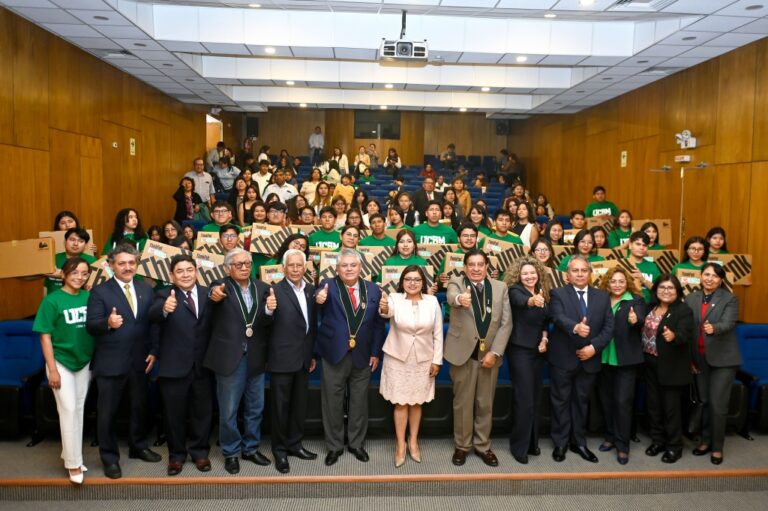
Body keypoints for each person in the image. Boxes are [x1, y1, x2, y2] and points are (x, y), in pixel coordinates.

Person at [85, 244, 161, 479]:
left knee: (139, 407)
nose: (127, 267)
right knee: (107, 412)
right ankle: (109, 458)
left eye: (131, 263)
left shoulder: (146, 289)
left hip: (140, 360)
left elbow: (152, 324)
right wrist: (107, 322)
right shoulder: (100, 292)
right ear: (111, 265)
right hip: (111, 362)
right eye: (122, 263)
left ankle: (138, 446)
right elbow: (91, 325)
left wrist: (155, 350)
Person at [315, 249, 386, 466]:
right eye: (344, 265)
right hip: (334, 354)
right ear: (337, 268)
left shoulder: (373, 290)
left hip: (363, 355)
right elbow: (317, 300)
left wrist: (375, 352)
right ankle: (334, 446)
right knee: (332, 402)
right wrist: (318, 298)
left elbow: (377, 325)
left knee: (359, 402)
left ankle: (356, 444)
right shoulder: (327, 286)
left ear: (361, 267)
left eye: (353, 265)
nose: (348, 269)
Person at [203, 248, 272, 474]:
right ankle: (231, 452)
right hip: (229, 358)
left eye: (247, 263)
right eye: (238, 264)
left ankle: (251, 448)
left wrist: (271, 312)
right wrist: (214, 295)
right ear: (227, 268)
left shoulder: (263, 288)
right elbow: (211, 296)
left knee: (255, 407)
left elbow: (266, 321)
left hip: (256, 356)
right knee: (229, 410)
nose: (244, 268)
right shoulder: (220, 286)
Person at [445, 250, 512, 467]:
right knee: (462, 404)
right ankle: (462, 446)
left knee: (485, 404)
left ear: (487, 267)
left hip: (489, 356)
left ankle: (483, 445)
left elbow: (506, 323)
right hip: (462, 355)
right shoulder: (456, 282)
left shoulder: (501, 288)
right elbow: (451, 297)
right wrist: (459, 299)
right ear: (465, 267)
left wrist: (496, 352)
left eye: (480, 264)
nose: (475, 268)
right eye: (471, 264)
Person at [149, 255, 214, 476]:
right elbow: (154, 313)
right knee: (173, 415)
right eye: (180, 271)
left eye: (189, 270)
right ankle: (176, 456)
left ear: (196, 271)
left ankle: (200, 453)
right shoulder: (163, 295)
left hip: (203, 366)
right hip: (174, 367)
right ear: (171, 276)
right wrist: (165, 309)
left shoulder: (208, 295)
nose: (185, 275)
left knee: (202, 413)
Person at [33, 257, 94, 484]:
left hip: (83, 361)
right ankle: (73, 464)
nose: (80, 277)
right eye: (75, 272)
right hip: (61, 362)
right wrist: (52, 370)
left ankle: (72, 453)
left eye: (84, 273)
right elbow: (45, 336)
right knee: (68, 409)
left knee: (78, 409)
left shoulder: (89, 297)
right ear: (64, 274)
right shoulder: (52, 301)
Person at [548, 255, 614, 464]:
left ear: (590, 273)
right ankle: (560, 442)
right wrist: (576, 327)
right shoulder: (557, 293)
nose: (579, 274)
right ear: (568, 275)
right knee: (560, 401)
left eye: (583, 270)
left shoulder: (602, 297)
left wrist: (593, 348)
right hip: (563, 358)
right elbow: (557, 317)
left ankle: (579, 442)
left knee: (581, 402)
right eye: (574, 271)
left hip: (589, 359)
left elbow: (609, 327)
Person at [378, 265, 443, 467]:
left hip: (423, 359)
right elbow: (385, 313)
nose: (412, 283)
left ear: (423, 282)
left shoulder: (432, 301)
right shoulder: (394, 298)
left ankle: (413, 441)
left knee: (416, 403)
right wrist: (383, 307)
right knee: (400, 403)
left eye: (416, 279)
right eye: (408, 279)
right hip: (398, 358)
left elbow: (438, 333)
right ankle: (400, 445)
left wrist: (436, 360)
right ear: (402, 282)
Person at [264, 249, 318, 474]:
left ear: (305, 268)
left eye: (299, 265)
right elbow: (264, 324)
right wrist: (268, 309)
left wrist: (312, 354)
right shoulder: (273, 291)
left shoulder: (312, 291)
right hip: (281, 359)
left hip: (304, 359)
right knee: (280, 408)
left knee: (299, 406)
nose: (296, 269)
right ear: (283, 268)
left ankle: (295, 445)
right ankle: (279, 451)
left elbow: (311, 326)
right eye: (291, 266)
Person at [685, 263, 741, 465]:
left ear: (721, 280)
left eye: (715, 276)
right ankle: (706, 441)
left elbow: (729, 323)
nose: (710, 278)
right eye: (706, 274)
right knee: (705, 401)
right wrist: (690, 359)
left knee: (718, 405)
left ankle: (717, 447)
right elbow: (688, 328)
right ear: (700, 277)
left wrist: (714, 328)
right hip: (699, 359)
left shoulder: (729, 298)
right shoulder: (691, 298)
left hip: (723, 360)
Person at [596, 266, 647, 465]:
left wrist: (636, 320)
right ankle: (610, 437)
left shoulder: (636, 301)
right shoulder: (602, 300)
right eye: (613, 281)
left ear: (627, 283)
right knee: (606, 401)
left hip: (626, 361)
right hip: (604, 358)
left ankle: (622, 445)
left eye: (621, 281)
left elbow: (641, 320)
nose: (617, 285)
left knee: (622, 403)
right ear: (607, 283)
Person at [642, 274, 694, 464]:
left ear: (678, 291)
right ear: (656, 290)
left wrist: (674, 336)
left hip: (671, 366)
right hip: (649, 364)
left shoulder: (684, 311)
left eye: (671, 288)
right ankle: (658, 441)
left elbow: (685, 334)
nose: (666, 291)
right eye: (662, 287)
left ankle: (674, 446)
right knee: (653, 406)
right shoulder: (651, 308)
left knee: (671, 409)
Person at [503, 256, 550, 465]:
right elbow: (523, 302)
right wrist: (533, 301)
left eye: (532, 273)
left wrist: (545, 338)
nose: (529, 276)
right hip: (520, 350)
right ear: (518, 276)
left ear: (538, 273)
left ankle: (532, 442)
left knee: (536, 398)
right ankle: (519, 446)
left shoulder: (542, 291)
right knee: (524, 399)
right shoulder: (515, 290)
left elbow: (544, 321)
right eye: (525, 274)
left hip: (539, 351)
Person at [44, 228, 96, 295]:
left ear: (85, 245)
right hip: (54, 301)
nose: (76, 244)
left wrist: (61, 275)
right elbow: (45, 285)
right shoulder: (53, 258)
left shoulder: (92, 260)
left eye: (81, 241)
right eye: (72, 240)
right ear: (65, 241)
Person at [626, 231, 661, 303]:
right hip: (626, 306)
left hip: (648, 306)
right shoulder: (621, 264)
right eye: (638, 244)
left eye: (644, 245)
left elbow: (659, 290)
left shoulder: (652, 266)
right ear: (630, 245)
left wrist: (643, 280)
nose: (641, 247)